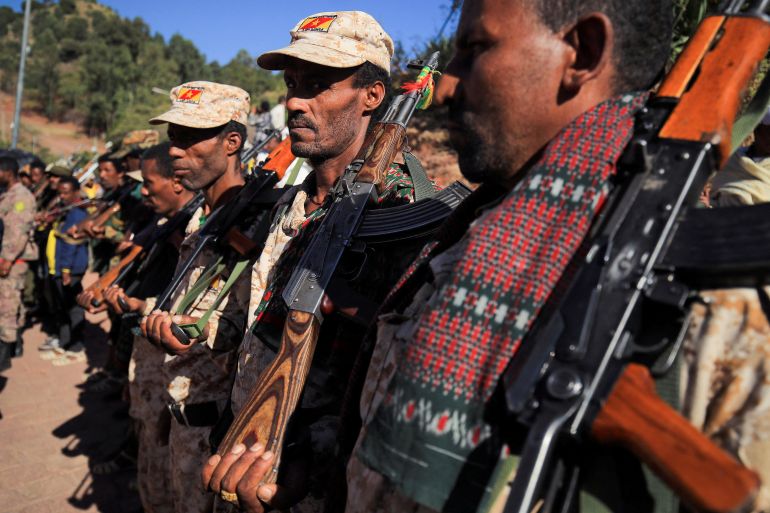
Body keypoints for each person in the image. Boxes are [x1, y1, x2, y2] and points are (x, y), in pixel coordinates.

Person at [337, 1, 676, 512]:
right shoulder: (481, 229)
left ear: (581, 53)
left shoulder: (668, 272)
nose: (447, 87)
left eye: (475, 49)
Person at [200, 11, 425, 513]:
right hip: (245, 450)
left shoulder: (404, 210)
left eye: (319, 85)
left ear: (373, 95)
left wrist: (316, 458)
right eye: (292, 84)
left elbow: (397, 380)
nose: (295, 102)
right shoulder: (293, 201)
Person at [140, 80, 254, 513]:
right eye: (173, 137)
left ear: (231, 142)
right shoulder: (199, 220)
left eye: (190, 138)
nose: (174, 151)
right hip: (180, 417)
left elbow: (254, 340)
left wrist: (195, 333)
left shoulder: (258, 225)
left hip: (219, 437)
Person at [99, 141, 196, 513]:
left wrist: (144, 306)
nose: (142, 191)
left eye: (148, 182)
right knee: (150, 459)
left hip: (177, 376)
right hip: (148, 358)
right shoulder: (167, 222)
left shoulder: (197, 224)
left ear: (175, 182)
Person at [42, 175, 89, 362]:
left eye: (66, 192)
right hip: (59, 267)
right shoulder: (66, 210)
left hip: (69, 269)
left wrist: (66, 270)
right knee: (63, 306)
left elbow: (71, 243)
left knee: (73, 307)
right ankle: (64, 342)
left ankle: (76, 346)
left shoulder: (78, 213)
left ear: (76, 192)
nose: (61, 196)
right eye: (59, 192)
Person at [0, 156, 37, 371]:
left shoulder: (21, 196)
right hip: (10, 257)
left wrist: (6, 258)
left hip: (12, 258)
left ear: (7, 172)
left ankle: (4, 352)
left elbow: (17, 230)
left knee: (7, 305)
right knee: (13, 302)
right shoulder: (9, 194)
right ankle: (15, 345)